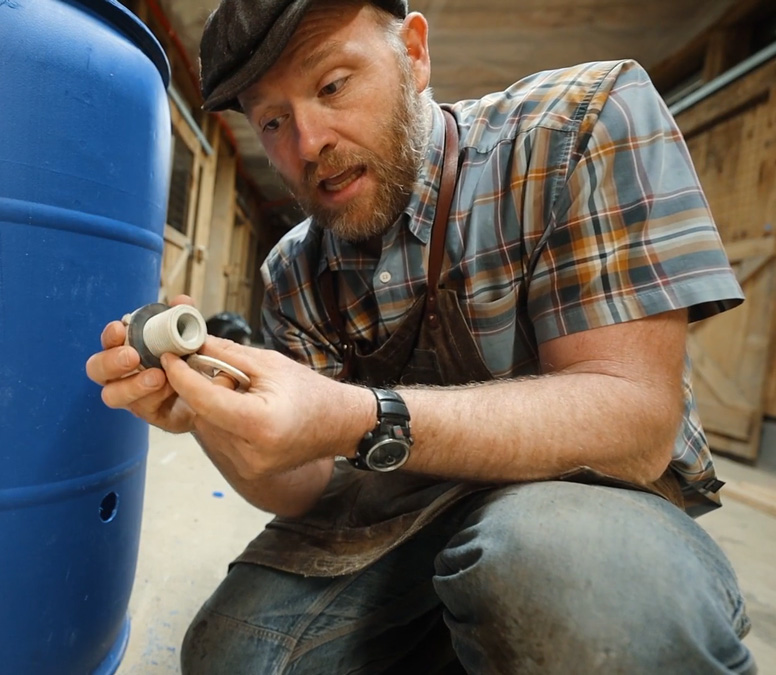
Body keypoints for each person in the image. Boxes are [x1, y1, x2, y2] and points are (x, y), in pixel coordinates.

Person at [85, 0, 756, 672]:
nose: (308, 142)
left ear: (413, 53)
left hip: (590, 503)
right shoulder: (294, 272)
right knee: (236, 655)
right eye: (273, 120)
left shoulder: (577, 127)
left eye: (332, 85)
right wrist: (212, 411)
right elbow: (306, 488)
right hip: (397, 522)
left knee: (558, 575)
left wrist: (361, 417)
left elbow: (635, 425)